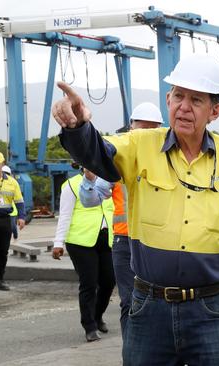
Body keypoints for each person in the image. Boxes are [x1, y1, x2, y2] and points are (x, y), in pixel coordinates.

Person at [52, 53, 219, 365]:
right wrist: (78, 127)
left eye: (196, 100)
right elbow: (99, 154)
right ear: (168, 99)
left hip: (213, 309)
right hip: (149, 308)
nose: (184, 107)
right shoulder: (140, 145)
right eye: (178, 97)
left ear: (215, 110)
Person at [78, 102, 163, 340]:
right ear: (131, 127)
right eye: (141, 128)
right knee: (130, 301)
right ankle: (133, 354)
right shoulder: (117, 162)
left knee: (160, 302)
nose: (145, 134)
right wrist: (88, 178)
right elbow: (91, 199)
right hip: (125, 242)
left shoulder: (170, 160)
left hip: (159, 242)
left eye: (151, 129)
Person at [52, 167, 116, 342]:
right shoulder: (71, 185)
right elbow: (64, 215)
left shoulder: (107, 182)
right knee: (89, 283)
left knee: (109, 281)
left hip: (106, 237)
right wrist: (58, 243)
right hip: (80, 241)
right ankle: (89, 326)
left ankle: (97, 315)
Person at [0, 150, 25, 291]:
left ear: (2, 164)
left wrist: (22, 217)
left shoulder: (12, 182)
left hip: (5, 220)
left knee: (3, 251)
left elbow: (19, 201)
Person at [1, 166, 19, 240]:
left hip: (12, 211)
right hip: (2, 210)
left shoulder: (13, 183)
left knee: (12, 226)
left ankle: (15, 235)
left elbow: (18, 199)